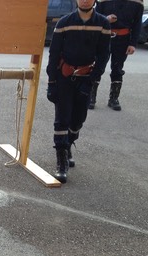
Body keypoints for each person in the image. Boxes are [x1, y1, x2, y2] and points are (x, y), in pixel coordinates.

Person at [47, 0, 111, 183]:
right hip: (64, 78)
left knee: (78, 120)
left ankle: (68, 144)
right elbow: (54, 53)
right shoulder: (64, 22)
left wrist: (93, 80)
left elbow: (104, 55)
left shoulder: (103, 24)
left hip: (86, 78)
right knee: (62, 120)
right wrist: (52, 82)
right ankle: (61, 161)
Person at [92, 0, 144, 110]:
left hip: (123, 39)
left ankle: (114, 99)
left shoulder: (137, 2)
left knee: (117, 68)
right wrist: (106, 18)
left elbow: (137, 24)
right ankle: (91, 98)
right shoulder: (103, 1)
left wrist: (133, 43)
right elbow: (94, 17)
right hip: (104, 37)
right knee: (98, 67)